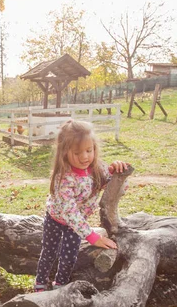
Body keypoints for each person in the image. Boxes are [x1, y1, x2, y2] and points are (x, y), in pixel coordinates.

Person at [34, 120, 129, 292]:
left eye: (89, 150)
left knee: (69, 256)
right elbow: (70, 213)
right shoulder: (63, 178)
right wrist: (93, 237)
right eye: (77, 153)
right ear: (65, 152)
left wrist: (118, 173)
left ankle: (60, 286)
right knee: (49, 251)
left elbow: (118, 188)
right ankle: (40, 283)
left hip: (77, 225)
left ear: (94, 148)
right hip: (56, 218)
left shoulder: (97, 168)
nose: (85, 157)